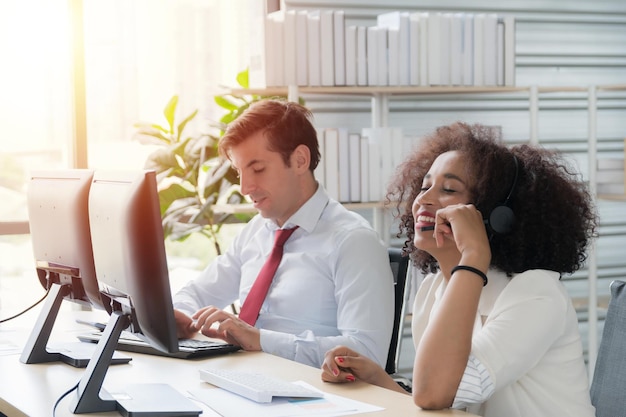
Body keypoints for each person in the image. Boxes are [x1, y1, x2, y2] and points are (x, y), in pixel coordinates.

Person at [321, 122, 598, 417]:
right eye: (425, 186)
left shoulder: (537, 295)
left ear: (495, 215)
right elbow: (443, 402)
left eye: (449, 189)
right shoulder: (433, 290)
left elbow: (436, 393)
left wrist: (475, 253)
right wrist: (377, 379)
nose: (423, 200)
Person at [172, 99, 394, 368]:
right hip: (246, 381)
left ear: (300, 160)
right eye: (239, 172)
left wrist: (262, 340)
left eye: (257, 169)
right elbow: (194, 294)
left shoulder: (354, 242)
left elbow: (368, 353)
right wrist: (181, 318)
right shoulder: (256, 231)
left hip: (314, 398)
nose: (244, 187)